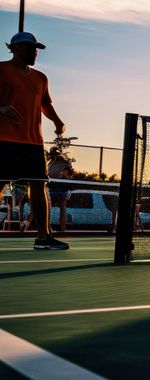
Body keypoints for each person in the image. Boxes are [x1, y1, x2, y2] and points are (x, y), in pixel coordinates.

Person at [0, 32, 69, 249]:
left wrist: (58, 122)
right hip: (4, 141)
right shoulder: (1, 70)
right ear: (16, 48)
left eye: (37, 48)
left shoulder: (41, 78)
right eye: (31, 48)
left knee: (39, 186)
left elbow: (45, 104)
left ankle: (43, 237)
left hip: (33, 144)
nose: (35, 52)